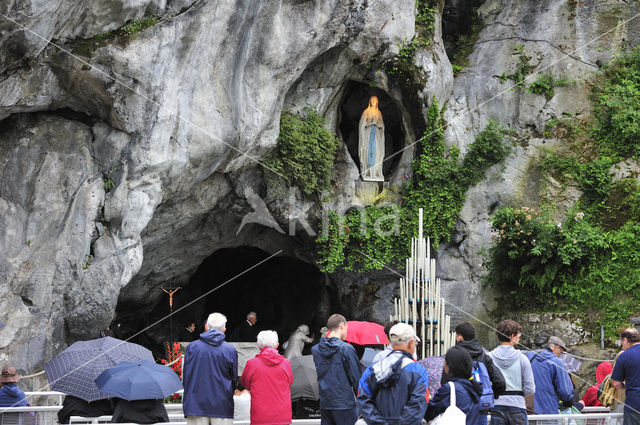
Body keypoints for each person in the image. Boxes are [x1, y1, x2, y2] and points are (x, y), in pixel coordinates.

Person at [357, 323, 430, 425]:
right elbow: (418, 404)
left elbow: (362, 399)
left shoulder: (372, 369)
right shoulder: (418, 371)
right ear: (411, 343)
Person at [441, 321, 506, 424]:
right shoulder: (484, 357)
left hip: (457, 409)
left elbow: (444, 383)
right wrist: (489, 394)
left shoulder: (452, 357)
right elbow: (501, 383)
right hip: (480, 409)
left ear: (460, 337)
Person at [183, 312, 238, 425]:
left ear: (206, 327)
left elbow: (186, 376)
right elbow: (233, 379)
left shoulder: (192, 347)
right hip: (221, 405)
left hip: (195, 405)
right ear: (224, 329)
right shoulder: (229, 350)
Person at [312, 314, 362, 425]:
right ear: (341, 326)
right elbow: (356, 378)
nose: (347, 332)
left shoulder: (316, 350)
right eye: (346, 328)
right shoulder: (346, 349)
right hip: (344, 404)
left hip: (325, 403)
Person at [489, 319, 535, 425]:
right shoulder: (522, 359)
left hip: (496, 405)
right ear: (512, 336)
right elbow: (530, 389)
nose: (520, 336)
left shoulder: (489, 357)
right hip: (517, 405)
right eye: (518, 334)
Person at [241, 330, 293, 425]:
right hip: (282, 414)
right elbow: (289, 382)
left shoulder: (252, 364)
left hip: (260, 414)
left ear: (258, 346)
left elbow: (245, 384)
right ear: (277, 345)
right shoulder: (286, 363)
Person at [425, 346, 483, 424]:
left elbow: (430, 412)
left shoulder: (449, 389)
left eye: (444, 362)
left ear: (448, 367)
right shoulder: (475, 388)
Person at [524, 336, 573, 414]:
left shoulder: (529, 355)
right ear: (556, 347)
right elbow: (565, 391)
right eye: (561, 351)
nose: (560, 354)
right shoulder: (556, 362)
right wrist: (569, 400)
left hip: (528, 408)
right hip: (548, 409)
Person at [611, 328, 640, 424]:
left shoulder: (624, 356)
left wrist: (626, 386)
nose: (622, 346)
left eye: (621, 342)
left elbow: (615, 383)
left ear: (625, 340)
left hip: (634, 403)